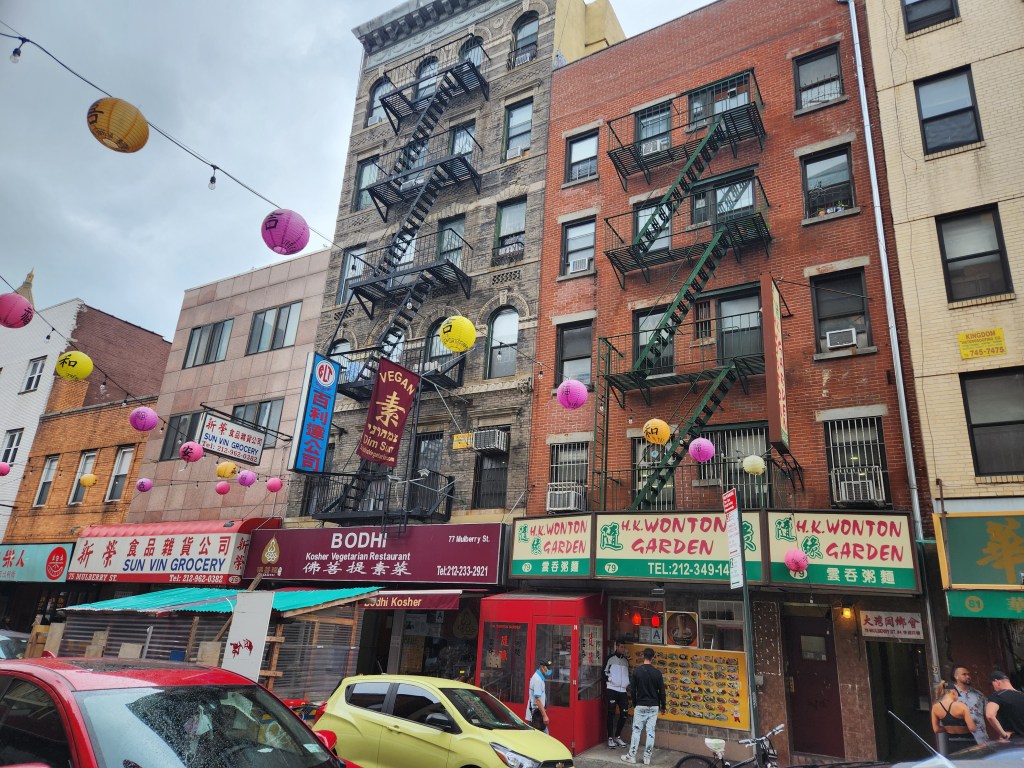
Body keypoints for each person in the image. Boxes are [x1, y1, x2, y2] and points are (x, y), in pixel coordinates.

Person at [621, 647, 665, 766]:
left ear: (643, 656)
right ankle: (647, 758)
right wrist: (663, 706)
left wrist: (635, 703)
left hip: (640, 705)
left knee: (636, 730)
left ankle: (631, 756)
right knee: (651, 732)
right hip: (654, 705)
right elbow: (662, 692)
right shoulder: (657, 673)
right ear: (653, 657)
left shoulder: (637, 671)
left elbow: (632, 690)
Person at [931, 681, 977, 754]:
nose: (958, 698)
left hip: (951, 743)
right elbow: (972, 728)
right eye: (958, 694)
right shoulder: (962, 706)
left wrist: (948, 728)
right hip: (968, 742)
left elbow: (936, 729)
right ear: (954, 692)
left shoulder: (935, 707)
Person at [952, 664, 989, 744]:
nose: (968, 676)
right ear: (956, 676)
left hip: (981, 739)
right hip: (961, 740)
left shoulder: (978, 694)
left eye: (968, 674)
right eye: (964, 674)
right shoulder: (950, 695)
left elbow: (988, 713)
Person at [605, 639, 630, 748]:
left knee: (624, 714)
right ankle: (610, 738)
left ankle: (617, 736)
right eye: (621, 647)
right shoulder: (610, 659)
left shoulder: (626, 661)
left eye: (624, 647)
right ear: (617, 647)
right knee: (611, 713)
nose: (623, 649)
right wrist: (611, 680)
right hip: (612, 689)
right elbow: (604, 672)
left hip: (623, 690)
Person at [986, 670, 1024, 741]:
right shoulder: (1022, 695)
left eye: (992, 684)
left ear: (997, 682)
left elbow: (990, 715)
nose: (993, 688)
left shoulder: (998, 696)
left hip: (1013, 741)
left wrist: (1003, 735)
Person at [527, 658, 553, 733]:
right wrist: (544, 716)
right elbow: (538, 699)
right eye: (547, 668)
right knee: (543, 737)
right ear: (542, 667)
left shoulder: (539, 678)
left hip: (537, 714)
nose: (549, 670)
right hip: (536, 715)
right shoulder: (537, 680)